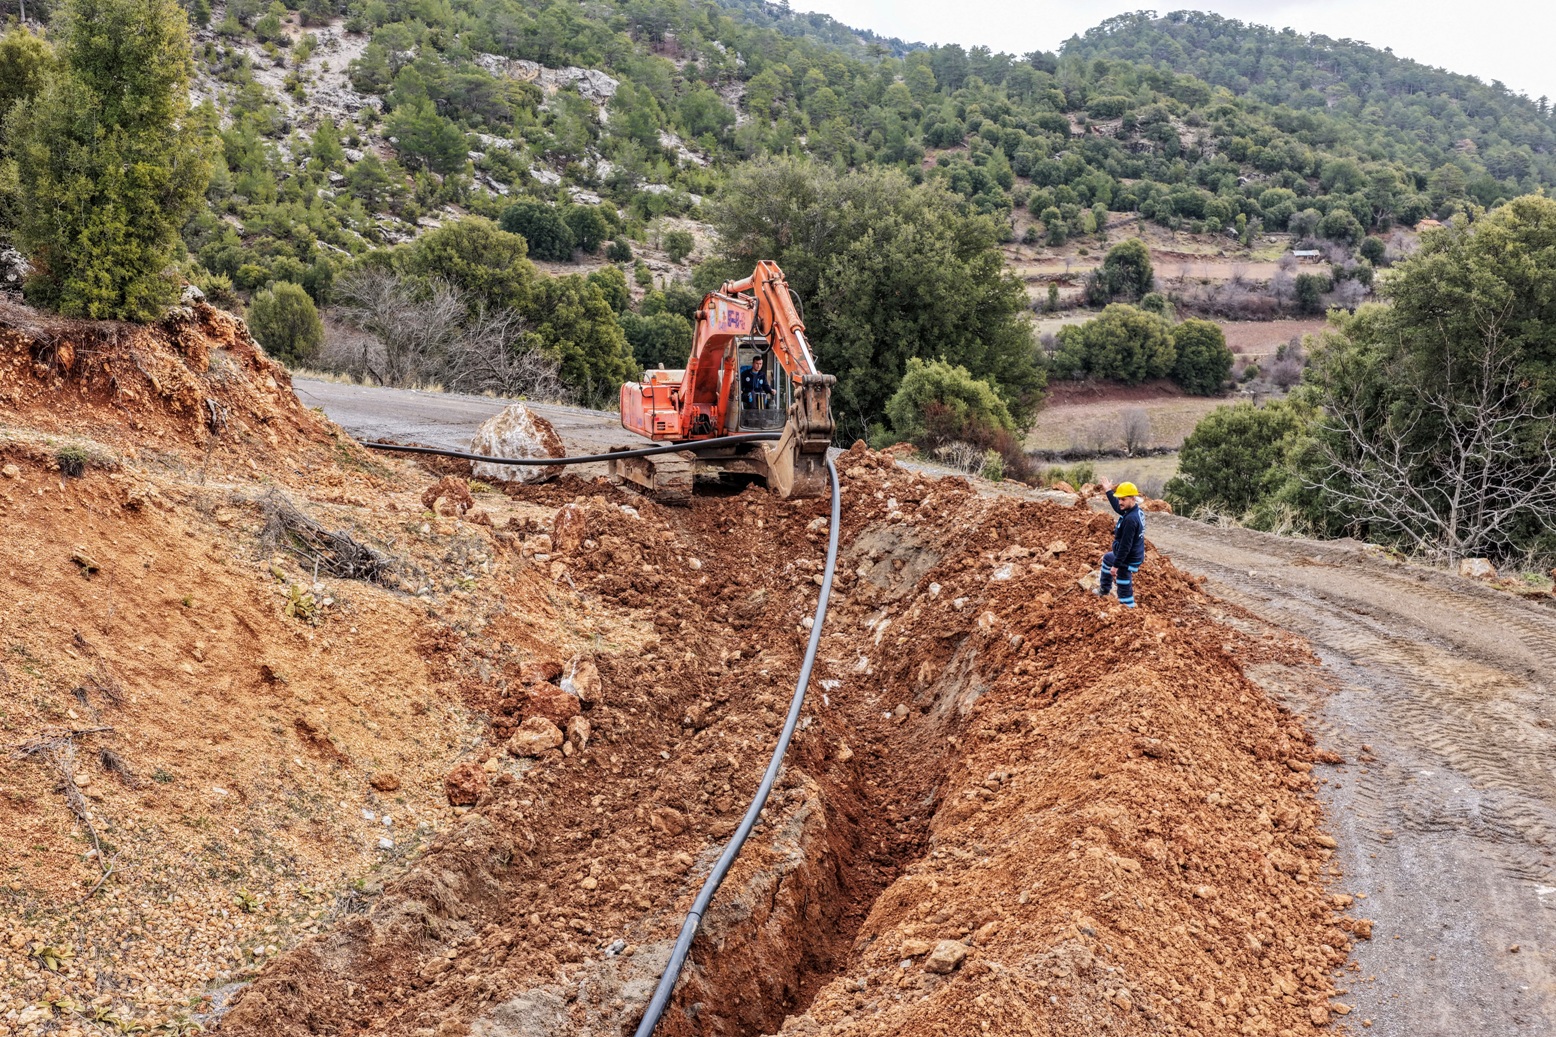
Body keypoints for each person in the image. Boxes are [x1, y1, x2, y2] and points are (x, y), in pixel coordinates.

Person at [1096, 479, 1146, 607]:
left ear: (1133, 498)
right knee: (1107, 558)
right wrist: (1108, 490)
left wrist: (1116, 566)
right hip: (1132, 553)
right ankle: (1105, 590)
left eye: (1123, 499)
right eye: (1119, 499)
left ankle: (1128, 609)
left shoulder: (1130, 520)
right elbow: (1118, 507)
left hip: (1128, 558)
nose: (1120, 502)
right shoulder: (1134, 510)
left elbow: (1125, 547)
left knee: (1123, 583)